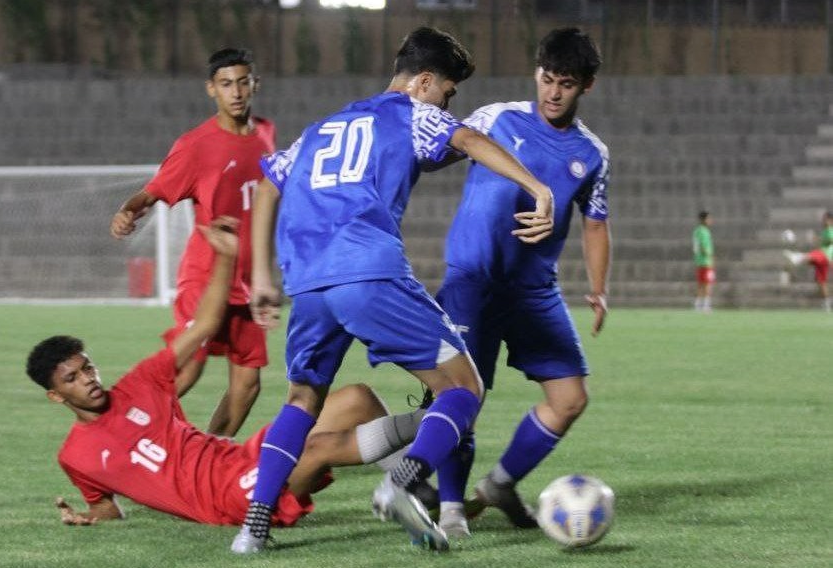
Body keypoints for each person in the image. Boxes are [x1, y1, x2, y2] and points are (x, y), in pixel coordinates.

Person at [232, 26, 555, 554]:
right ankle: (400, 483)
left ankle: (254, 527)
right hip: (368, 271)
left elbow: (268, 185)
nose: (448, 104)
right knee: (464, 387)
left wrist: (263, 275)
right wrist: (537, 188)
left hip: (309, 281)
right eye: (448, 93)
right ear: (424, 81)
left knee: (302, 399)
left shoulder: (321, 127)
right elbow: (468, 140)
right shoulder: (410, 111)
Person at [27, 217, 427, 528]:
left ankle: (413, 490)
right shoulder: (75, 457)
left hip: (240, 458)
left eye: (87, 368)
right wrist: (88, 518)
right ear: (55, 396)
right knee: (317, 447)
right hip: (228, 499)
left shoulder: (139, 384)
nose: (88, 380)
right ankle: (436, 422)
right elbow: (106, 509)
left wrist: (226, 256)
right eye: (72, 379)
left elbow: (202, 326)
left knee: (357, 398)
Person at [430, 27, 610, 536]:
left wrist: (598, 288)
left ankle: (500, 485)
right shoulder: (495, 118)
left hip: (534, 292)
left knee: (570, 398)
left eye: (567, 84)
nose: (553, 92)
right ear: (536, 73)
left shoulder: (592, 153)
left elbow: (596, 223)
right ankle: (448, 509)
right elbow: (438, 149)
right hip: (472, 282)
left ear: (586, 87)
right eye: (548, 79)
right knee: (462, 399)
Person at [109, 48, 276, 438]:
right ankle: (119, 439)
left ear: (255, 84)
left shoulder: (267, 133)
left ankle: (212, 458)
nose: (235, 92)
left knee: (248, 385)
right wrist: (128, 210)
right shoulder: (196, 145)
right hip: (206, 277)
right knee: (187, 370)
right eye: (225, 84)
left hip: (249, 285)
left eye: (242, 82)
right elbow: (151, 192)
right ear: (211, 90)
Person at [784, 210, 833, 312]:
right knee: (821, 281)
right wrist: (816, 239)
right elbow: (824, 242)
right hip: (825, 258)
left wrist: (817, 239)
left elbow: (830, 240)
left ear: (830, 220)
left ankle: (797, 257)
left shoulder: (830, 230)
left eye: (825, 219)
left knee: (814, 255)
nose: (823, 221)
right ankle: (827, 303)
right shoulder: (825, 231)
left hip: (825, 256)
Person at [693, 210, 715, 312]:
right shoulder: (703, 231)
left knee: (701, 284)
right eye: (708, 218)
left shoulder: (697, 230)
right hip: (705, 261)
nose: (710, 220)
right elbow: (703, 245)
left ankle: (698, 304)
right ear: (703, 219)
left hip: (699, 261)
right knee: (707, 283)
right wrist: (708, 255)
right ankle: (706, 305)